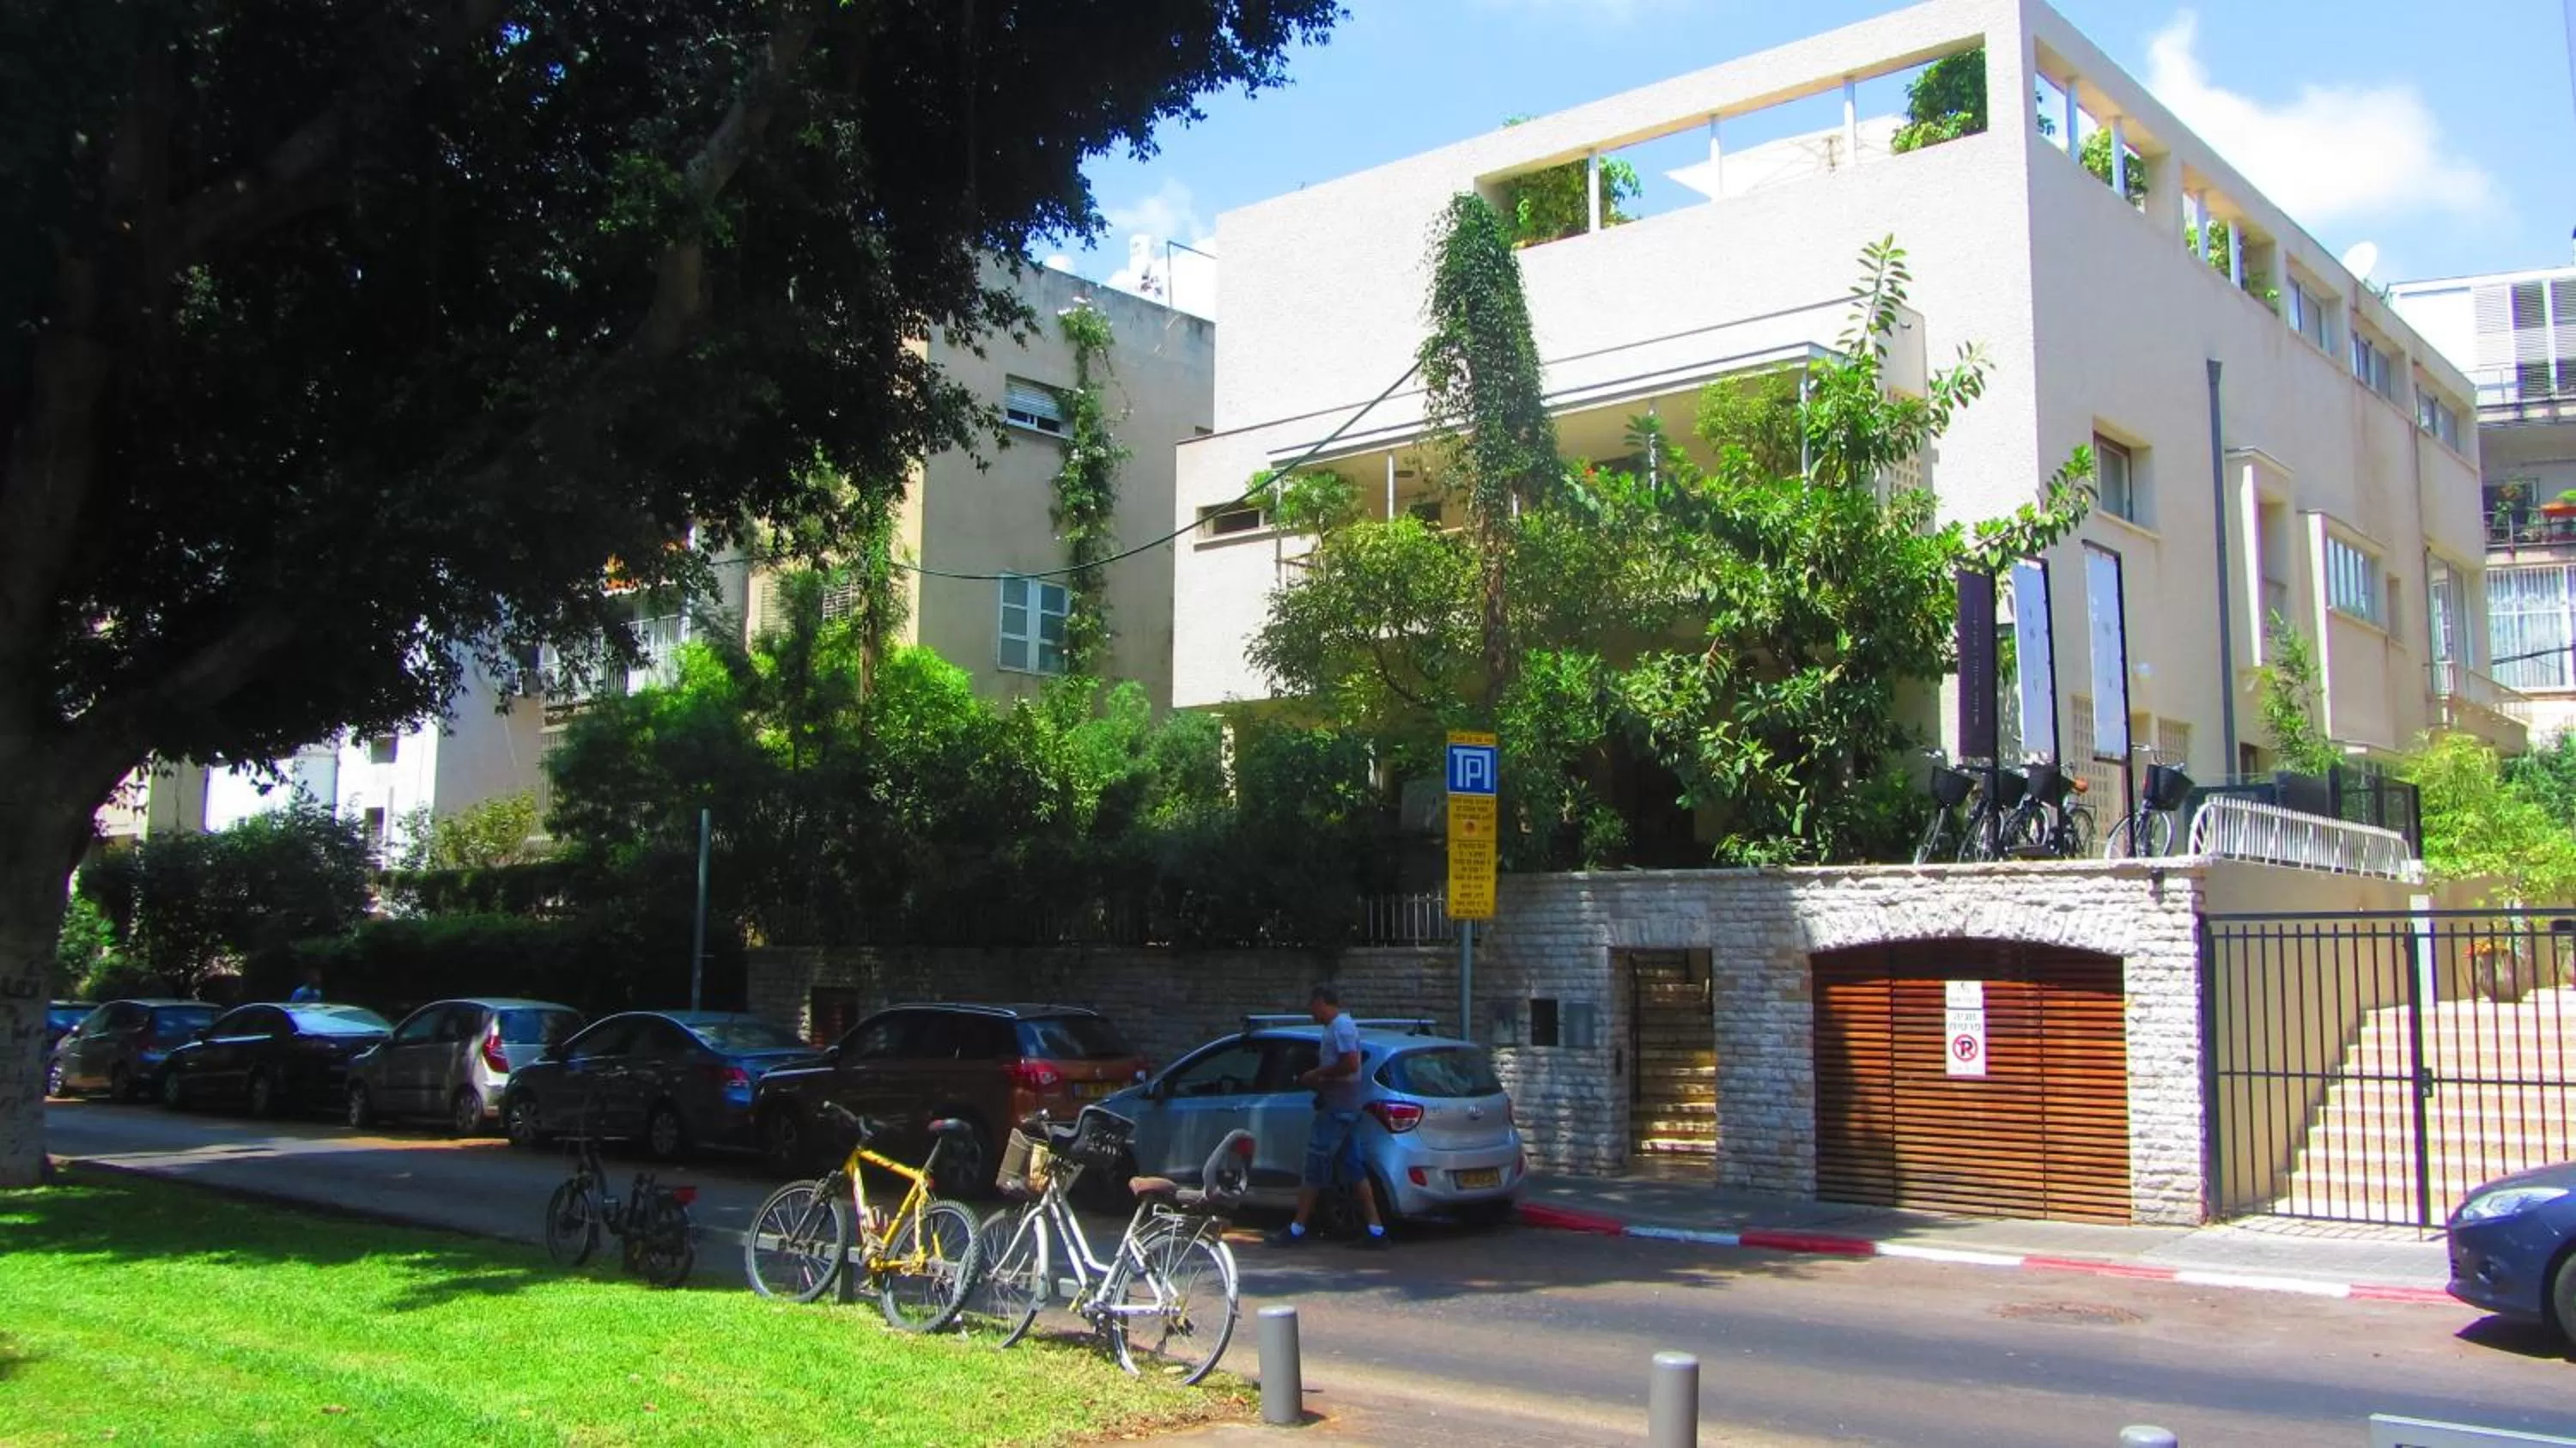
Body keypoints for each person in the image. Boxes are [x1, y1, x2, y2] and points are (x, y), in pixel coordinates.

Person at [1268, 983, 1388, 1249]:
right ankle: (1376, 1230)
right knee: (1354, 1169)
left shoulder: (1341, 1027)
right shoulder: (1336, 1028)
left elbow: (1351, 1063)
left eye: (1313, 1007)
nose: (1312, 1013)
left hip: (1338, 1110)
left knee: (1314, 1166)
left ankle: (1297, 1229)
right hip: (1343, 1107)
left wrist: (1317, 1075)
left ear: (1321, 1003)